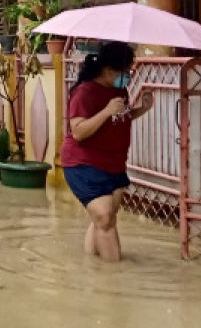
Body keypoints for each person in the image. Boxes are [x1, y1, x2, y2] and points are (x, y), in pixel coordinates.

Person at [61, 42, 154, 262]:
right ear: (108, 70)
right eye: (125, 71)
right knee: (104, 218)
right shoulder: (84, 93)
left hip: (113, 164)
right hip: (84, 164)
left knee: (104, 220)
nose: (129, 76)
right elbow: (79, 132)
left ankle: (92, 269)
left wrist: (142, 108)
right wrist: (106, 111)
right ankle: (113, 281)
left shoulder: (119, 90)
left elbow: (120, 118)